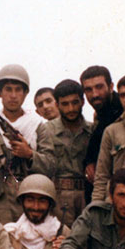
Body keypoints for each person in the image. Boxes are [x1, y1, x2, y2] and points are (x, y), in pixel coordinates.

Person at [0, 64, 54, 224]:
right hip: (3, 203)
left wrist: (29, 154)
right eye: (8, 89)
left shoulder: (37, 126)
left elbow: (51, 165)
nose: (13, 95)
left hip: (35, 200)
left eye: (18, 90)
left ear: (25, 93)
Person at [45, 79, 92, 227]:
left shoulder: (93, 130)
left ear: (82, 102)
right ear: (57, 105)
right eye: (65, 104)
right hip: (58, 196)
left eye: (75, 102)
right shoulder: (47, 131)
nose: (71, 109)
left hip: (87, 194)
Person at [80, 65, 123, 200]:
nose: (95, 94)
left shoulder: (123, 111)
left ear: (111, 86)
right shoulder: (100, 114)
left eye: (99, 87)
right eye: (88, 89)